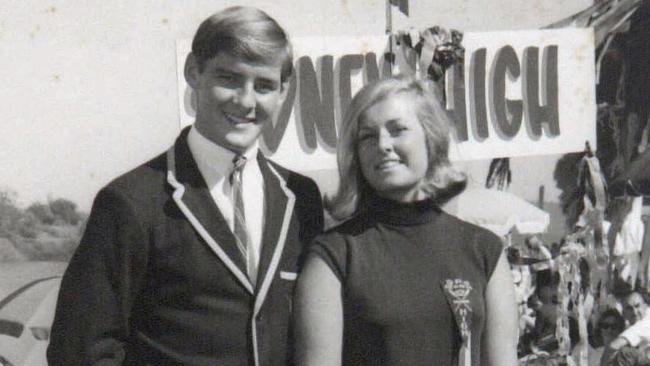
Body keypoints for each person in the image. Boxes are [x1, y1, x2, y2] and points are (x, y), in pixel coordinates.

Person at [47, 6, 324, 366]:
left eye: (264, 85)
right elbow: (80, 349)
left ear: (284, 91)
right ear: (193, 72)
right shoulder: (131, 201)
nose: (245, 100)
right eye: (229, 78)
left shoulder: (301, 197)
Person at [294, 77, 518, 366]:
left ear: (431, 138)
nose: (383, 145)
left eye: (397, 130)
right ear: (356, 154)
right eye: (367, 136)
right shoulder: (334, 255)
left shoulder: (484, 249)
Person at [603, 291, 650, 364]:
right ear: (624, 313)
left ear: (645, 306)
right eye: (629, 308)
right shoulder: (634, 324)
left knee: (624, 353)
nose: (634, 312)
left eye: (637, 306)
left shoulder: (646, 322)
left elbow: (613, 346)